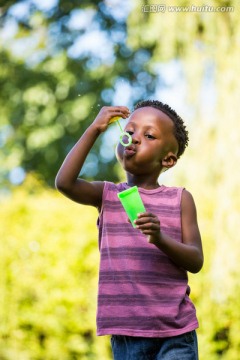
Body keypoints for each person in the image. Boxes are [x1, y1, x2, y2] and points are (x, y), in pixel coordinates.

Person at [55, 100, 204, 360]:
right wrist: (94, 129)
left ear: (168, 159)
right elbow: (64, 183)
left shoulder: (180, 199)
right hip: (126, 335)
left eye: (148, 135)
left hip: (176, 331)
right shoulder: (107, 195)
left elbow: (196, 260)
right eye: (130, 131)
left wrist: (160, 238)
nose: (133, 139)